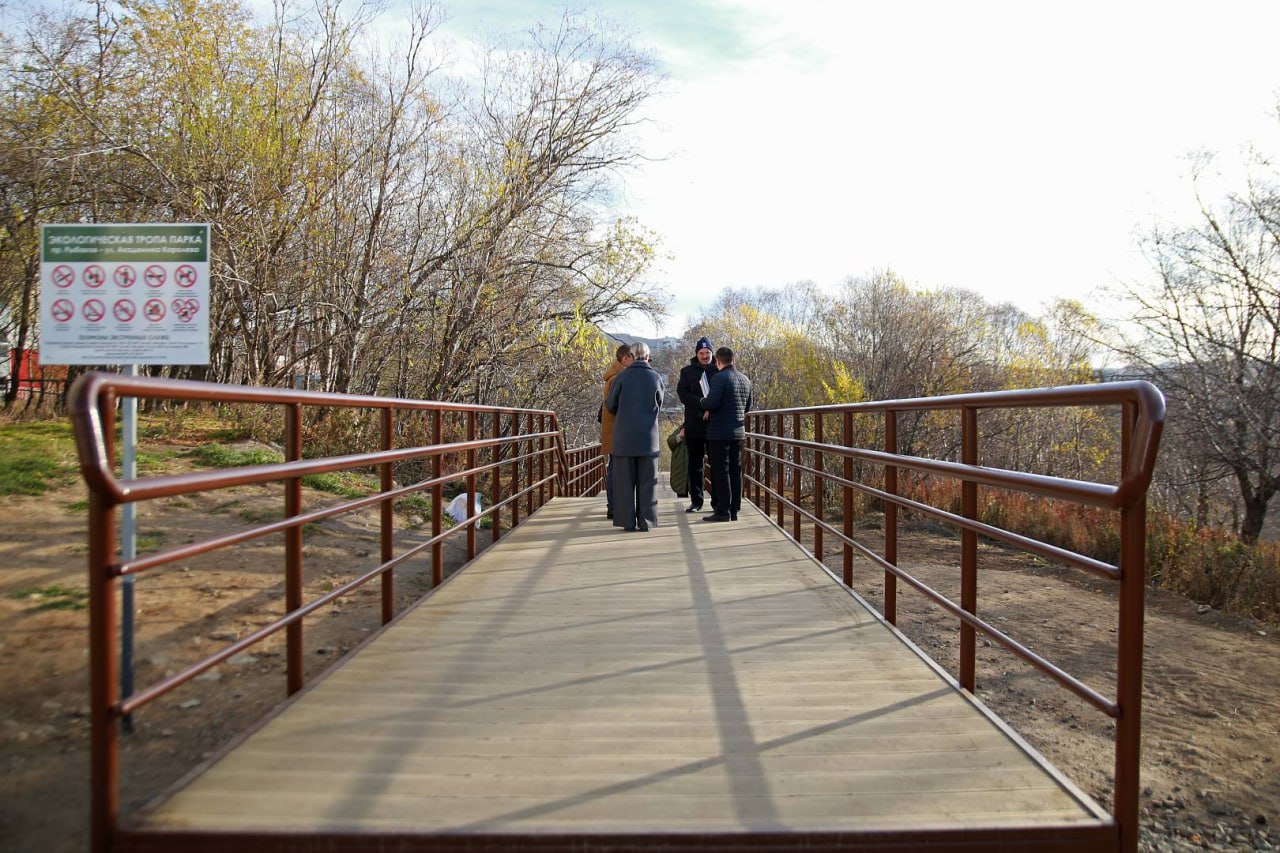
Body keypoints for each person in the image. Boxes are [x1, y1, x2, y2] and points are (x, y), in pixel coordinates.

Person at [605, 341, 664, 532]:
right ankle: (646, 521)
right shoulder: (655, 377)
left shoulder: (621, 378)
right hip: (648, 438)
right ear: (647, 356)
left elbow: (611, 405)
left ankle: (627, 521)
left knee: (624, 484)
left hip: (624, 438)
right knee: (648, 483)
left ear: (631, 355)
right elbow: (659, 403)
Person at [699, 346, 753, 522]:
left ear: (718, 361)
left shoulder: (719, 378)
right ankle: (734, 510)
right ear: (733, 360)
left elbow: (712, 403)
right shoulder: (746, 380)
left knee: (721, 471)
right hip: (738, 432)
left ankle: (722, 511)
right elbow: (747, 407)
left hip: (719, 432)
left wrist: (703, 401)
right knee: (736, 471)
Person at [676, 336, 719, 513]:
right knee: (695, 465)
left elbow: (721, 393)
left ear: (712, 353)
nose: (704, 356)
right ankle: (696, 501)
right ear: (696, 354)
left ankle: (717, 501)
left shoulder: (718, 370)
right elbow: (683, 394)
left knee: (716, 464)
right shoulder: (687, 372)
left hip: (714, 424)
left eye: (707, 353)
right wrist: (701, 403)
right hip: (694, 424)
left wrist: (711, 407)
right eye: (701, 353)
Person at [599, 343, 635, 519]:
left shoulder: (614, 376)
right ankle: (613, 506)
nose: (635, 361)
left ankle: (614, 505)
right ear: (625, 358)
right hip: (617, 431)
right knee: (615, 469)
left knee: (614, 467)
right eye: (633, 358)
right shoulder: (618, 378)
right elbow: (616, 405)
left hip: (614, 430)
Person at [667, 425, 689, 498]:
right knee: (681, 492)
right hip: (680, 471)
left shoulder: (698, 430)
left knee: (695, 492)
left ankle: (695, 504)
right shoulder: (680, 429)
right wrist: (679, 436)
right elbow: (670, 441)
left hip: (692, 469)